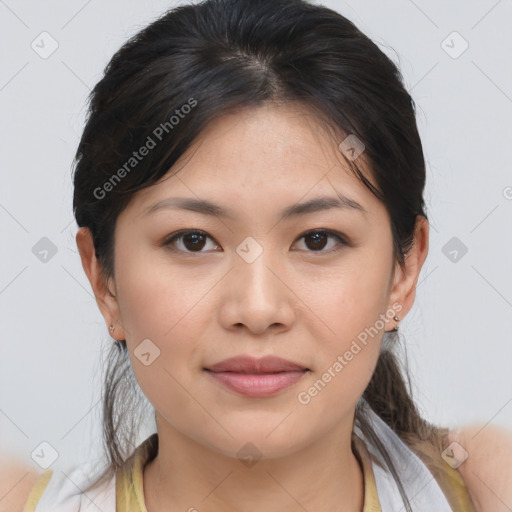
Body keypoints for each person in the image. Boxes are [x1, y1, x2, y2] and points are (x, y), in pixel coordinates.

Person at [14, 0, 512, 510]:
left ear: (403, 273)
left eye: (318, 239)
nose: (256, 310)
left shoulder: (488, 488)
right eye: (193, 240)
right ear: (104, 280)